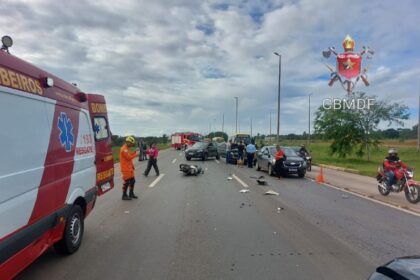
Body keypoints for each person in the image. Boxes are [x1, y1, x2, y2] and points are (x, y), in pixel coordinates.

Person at [120, 136, 139, 200]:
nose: (132, 145)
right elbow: (128, 157)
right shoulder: (124, 149)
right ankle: (124, 195)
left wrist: (135, 152)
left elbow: (130, 155)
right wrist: (136, 154)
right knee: (126, 182)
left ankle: (131, 194)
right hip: (125, 169)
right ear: (128, 142)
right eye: (131, 144)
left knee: (132, 181)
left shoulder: (127, 148)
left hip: (130, 168)